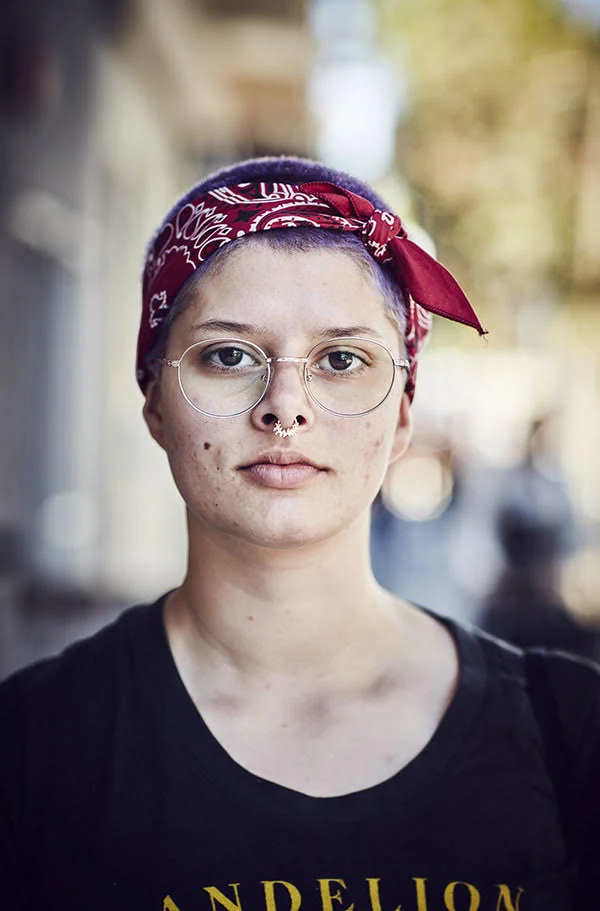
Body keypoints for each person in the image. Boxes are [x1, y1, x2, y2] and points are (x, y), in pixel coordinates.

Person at [1, 156, 599, 911]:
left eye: (342, 359)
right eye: (227, 354)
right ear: (155, 402)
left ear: (404, 414)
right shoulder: (30, 750)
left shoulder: (569, 731)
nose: (285, 407)